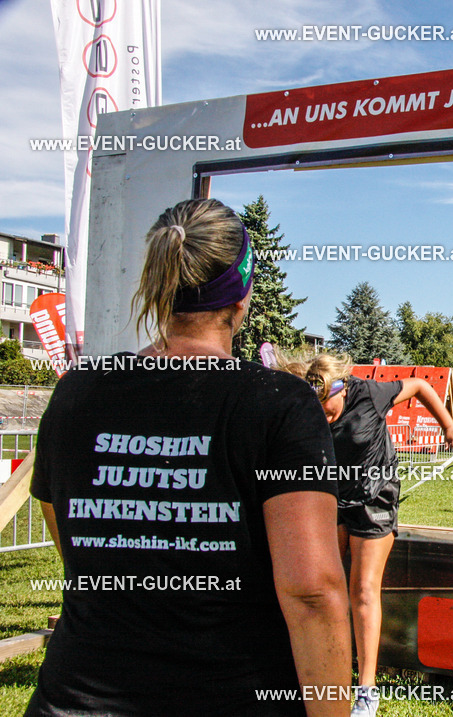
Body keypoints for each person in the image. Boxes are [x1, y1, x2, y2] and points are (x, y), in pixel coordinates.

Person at [27, 199, 351, 716]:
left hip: (75, 699)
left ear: (157, 287)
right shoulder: (277, 404)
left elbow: (75, 546)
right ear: (241, 297)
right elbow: (312, 593)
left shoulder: (76, 395)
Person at [302, 352, 453, 717]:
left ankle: (366, 691)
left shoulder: (371, 393)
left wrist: (449, 427)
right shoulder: (312, 400)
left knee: (362, 589)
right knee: (324, 588)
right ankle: (326, 677)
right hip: (332, 496)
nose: (324, 416)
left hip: (374, 497)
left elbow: (423, 387)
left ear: (342, 388)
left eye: (328, 408)